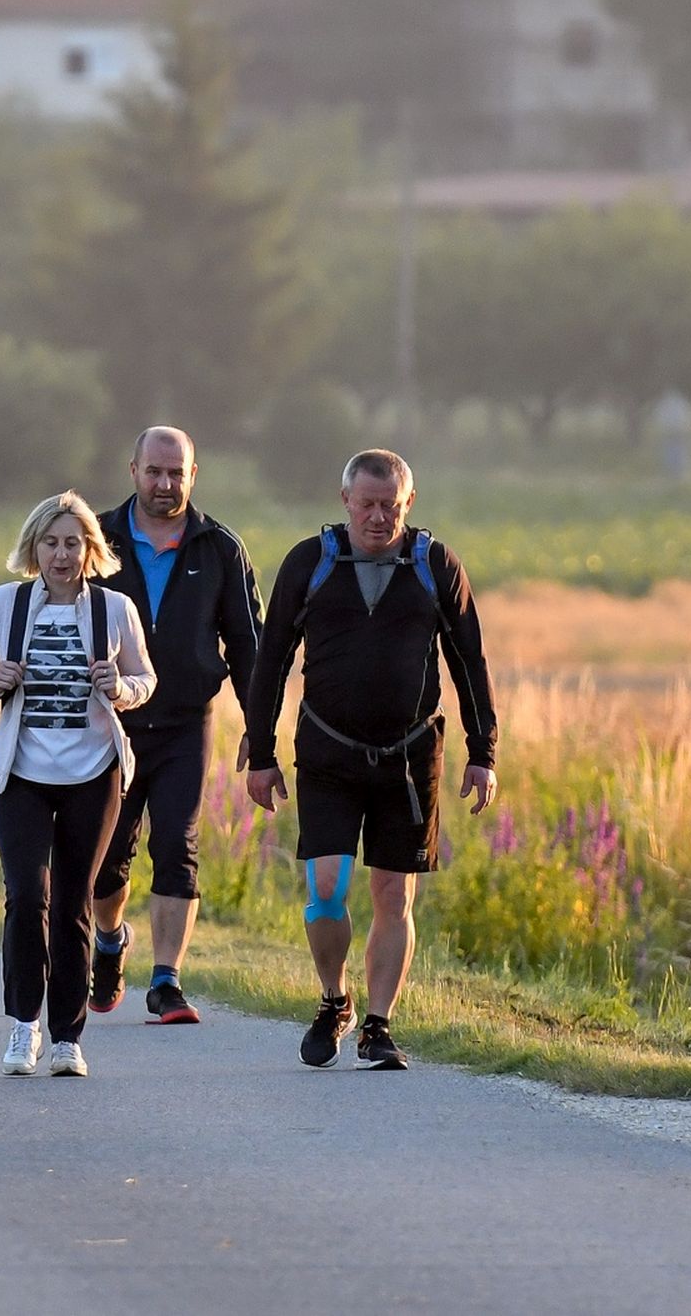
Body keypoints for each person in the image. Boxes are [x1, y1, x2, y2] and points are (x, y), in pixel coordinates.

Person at [244, 449, 499, 1072]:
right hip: (328, 751)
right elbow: (271, 657)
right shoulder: (310, 561)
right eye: (368, 505)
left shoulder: (435, 564)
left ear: (408, 505)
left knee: (393, 895)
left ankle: (379, 1027)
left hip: (410, 760)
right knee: (327, 886)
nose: (379, 517)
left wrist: (482, 750)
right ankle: (335, 1000)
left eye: (391, 506)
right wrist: (261, 750)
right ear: (345, 502)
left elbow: (469, 660)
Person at [0, 492, 156, 1077]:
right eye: (51, 542)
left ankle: (68, 1037)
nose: (62, 554)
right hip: (21, 774)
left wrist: (119, 688)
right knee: (25, 897)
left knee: (73, 903)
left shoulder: (114, 610)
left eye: (73, 542)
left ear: (91, 549)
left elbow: (146, 678)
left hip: (93, 774)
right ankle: (24, 1028)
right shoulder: (7, 605)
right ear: (33, 548)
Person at [88, 426, 263, 1025]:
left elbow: (246, 643)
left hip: (187, 722)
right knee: (107, 854)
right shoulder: (96, 539)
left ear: (194, 474)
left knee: (177, 844)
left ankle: (166, 981)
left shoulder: (219, 549)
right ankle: (109, 943)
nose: (165, 485)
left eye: (176, 473)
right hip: (109, 721)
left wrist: (258, 728)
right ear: (132, 470)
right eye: (154, 472)